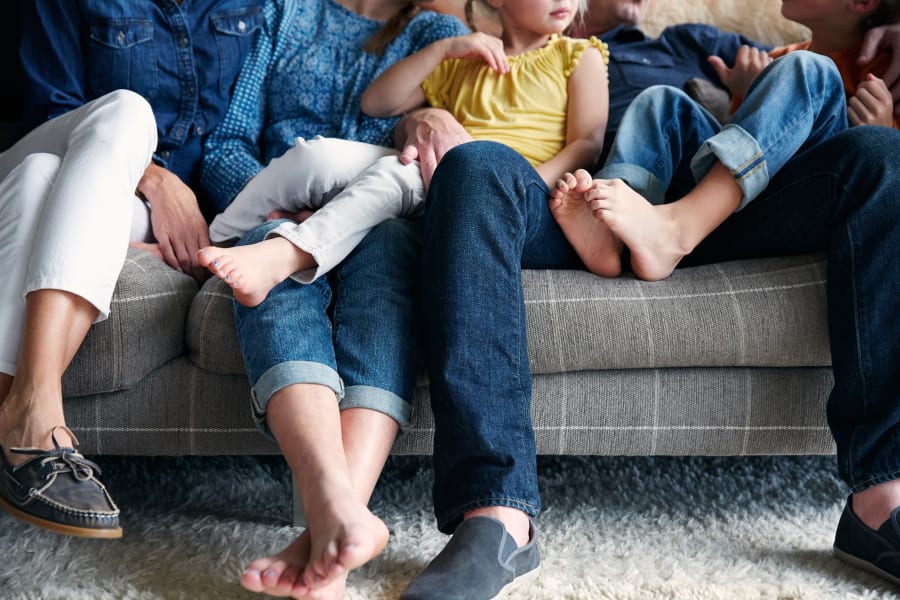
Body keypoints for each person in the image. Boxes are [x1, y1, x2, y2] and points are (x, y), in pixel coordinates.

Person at [393, 1, 900, 597]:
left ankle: (881, 497)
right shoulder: (473, 52)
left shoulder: (687, 41)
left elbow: (793, 96)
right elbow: (383, 105)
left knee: (867, 139)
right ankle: (494, 518)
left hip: (726, 195)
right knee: (473, 162)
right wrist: (416, 118)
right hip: (585, 200)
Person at [197, 0, 469, 597]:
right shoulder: (284, 15)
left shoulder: (438, 33)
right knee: (269, 255)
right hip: (277, 202)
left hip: (383, 220)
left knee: (391, 256)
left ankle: (333, 531)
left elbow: (437, 144)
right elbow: (226, 145)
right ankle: (334, 513)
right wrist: (283, 208)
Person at [0, 0, 264, 539]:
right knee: (122, 111)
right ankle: (36, 410)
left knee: (39, 182)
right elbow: (51, 109)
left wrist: (224, 233)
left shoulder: (252, 6)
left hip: (128, 212)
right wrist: (157, 179)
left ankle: (18, 415)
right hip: (58, 153)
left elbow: (238, 135)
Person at [199, 0, 607, 309]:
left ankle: (289, 254)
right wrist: (444, 50)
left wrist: (523, 182)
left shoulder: (578, 54)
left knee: (394, 173)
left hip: (484, 187)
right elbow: (376, 103)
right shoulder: (464, 58)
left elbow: (587, 142)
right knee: (316, 158)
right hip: (439, 173)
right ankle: (215, 240)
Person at [551, 0, 898, 281]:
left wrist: (882, 130)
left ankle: (676, 229)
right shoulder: (776, 55)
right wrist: (746, 92)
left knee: (811, 70)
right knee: (660, 101)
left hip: (810, 191)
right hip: (736, 200)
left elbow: (884, 172)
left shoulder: (883, 65)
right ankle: (616, 236)